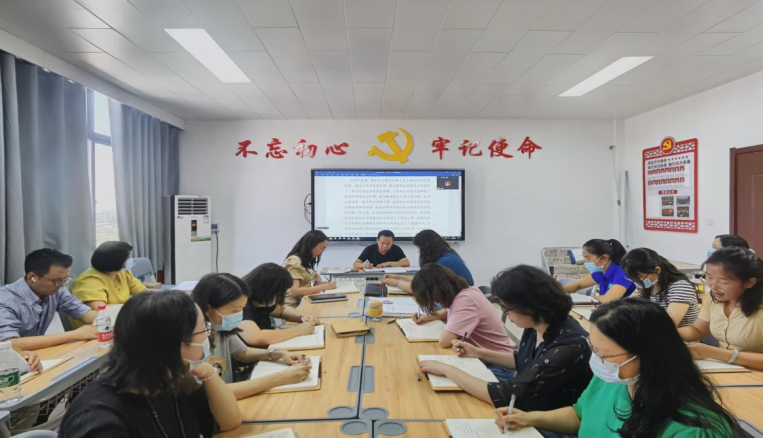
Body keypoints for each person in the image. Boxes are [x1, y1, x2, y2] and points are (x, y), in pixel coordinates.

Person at [497, 299, 737, 438]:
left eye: (607, 355)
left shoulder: (694, 429)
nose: (598, 361)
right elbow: (581, 415)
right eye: (594, 350)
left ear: (650, 355)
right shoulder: (614, 378)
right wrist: (528, 418)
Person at [59, 290, 240, 437]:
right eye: (203, 331)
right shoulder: (102, 422)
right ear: (174, 343)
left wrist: (207, 371)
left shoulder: (173, 378)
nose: (206, 338)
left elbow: (228, 422)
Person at [419, 265, 591, 411]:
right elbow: (523, 359)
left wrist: (447, 370)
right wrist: (478, 352)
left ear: (530, 306)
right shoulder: (538, 323)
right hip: (528, 410)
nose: (506, 314)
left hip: (545, 420)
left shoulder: (568, 345)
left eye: (506, 308)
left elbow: (506, 395)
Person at [190, 273, 312, 399]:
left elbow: (243, 352)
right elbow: (213, 393)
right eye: (235, 310)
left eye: (242, 309)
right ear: (208, 309)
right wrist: (281, 378)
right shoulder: (192, 343)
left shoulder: (219, 327)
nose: (240, 315)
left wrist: (278, 354)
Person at [410, 264, 515, 378]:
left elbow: (444, 341)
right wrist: (431, 316)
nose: (435, 302)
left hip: (498, 367)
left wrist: (440, 322)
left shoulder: (465, 301)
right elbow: (452, 311)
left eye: (433, 299)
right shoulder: (468, 291)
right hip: (490, 358)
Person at [679, 247, 763, 371]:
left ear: (749, 282)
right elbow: (697, 330)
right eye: (708, 278)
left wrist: (714, 353)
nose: (713, 286)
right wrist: (666, 333)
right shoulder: (713, 299)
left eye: (724, 282)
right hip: (727, 370)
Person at [0, 249, 98, 351]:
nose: (61, 285)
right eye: (56, 281)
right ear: (32, 277)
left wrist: (106, 319)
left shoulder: (57, 290)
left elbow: (85, 313)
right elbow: (10, 344)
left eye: (65, 279)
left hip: (35, 355)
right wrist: (75, 334)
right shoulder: (5, 300)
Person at [239, 263, 319, 347]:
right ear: (267, 289)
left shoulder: (260, 300)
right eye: (280, 292)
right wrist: (298, 331)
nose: (281, 295)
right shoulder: (240, 303)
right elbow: (254, 337)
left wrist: (303, 316)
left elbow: (281, 310)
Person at [69, 241, 146, 328]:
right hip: (97, 329)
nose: (130, 259)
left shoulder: (122, 273)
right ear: (116, 261)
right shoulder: (90, 280)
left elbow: (144, 293)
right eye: (127, 257)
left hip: (120, 321)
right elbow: (102, 311)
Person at [621, 248, 700, 328]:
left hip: (674, 334)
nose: (638, 282)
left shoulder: (680, 287)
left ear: (657, 270)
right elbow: (626, 307)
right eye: (633, 279)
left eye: (640, 277)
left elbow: (667, 326)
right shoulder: (647, 284)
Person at [382, 229, 473, 292]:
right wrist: (399, 277)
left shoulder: (442, 263)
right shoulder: (447, 256)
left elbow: (421, 289)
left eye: (419, 248)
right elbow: (424, 281)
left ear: (427, 248)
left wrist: (396, 282)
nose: (419, 251)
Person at [561, 239, 636, 303]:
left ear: (603, 258)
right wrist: (557, 291)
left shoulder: (622, 274)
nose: (586, 262)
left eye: (588, 259)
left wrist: (597, 297)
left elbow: (608, 300)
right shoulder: (601, 272)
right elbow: (578, 284)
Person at [283, 230, 336, 307]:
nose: (321, 252)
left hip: (302, 302)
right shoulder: (294, 262)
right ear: (311, 245)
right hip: (291, 306)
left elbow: (304, 285)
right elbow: (294, 291)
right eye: (321, 248)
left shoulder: (304, 261)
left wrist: (318, 282)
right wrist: (323, 287)